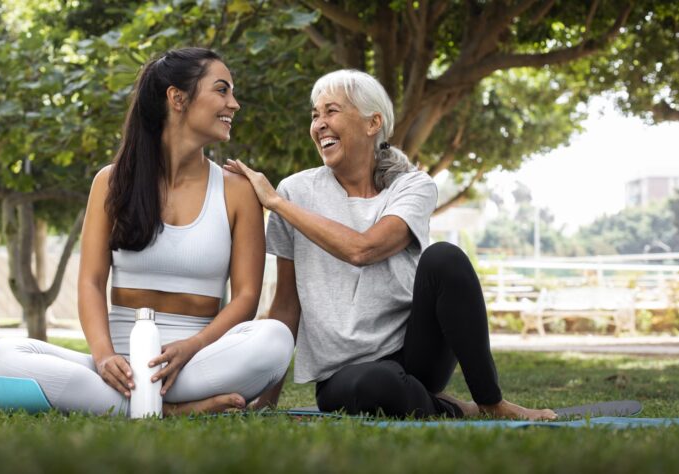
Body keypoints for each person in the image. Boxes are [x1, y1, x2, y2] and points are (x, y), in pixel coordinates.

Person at [225, 69, 556, 420]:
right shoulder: (296, 191)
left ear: (373, 123)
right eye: (315, 115)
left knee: (446, 258)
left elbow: (363, 250)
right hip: (345, 373)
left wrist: (276, 204)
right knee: (378, 386)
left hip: (415, 354)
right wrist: (267, 399)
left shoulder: (412, 187)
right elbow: (286, 305)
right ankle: (454, 407)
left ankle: (491, 402)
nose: (319, 124)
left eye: (331, 111)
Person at [0, 47, 294, 416]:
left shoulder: (237, 190)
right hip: (119, 367)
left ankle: (124, 405)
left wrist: (190, 347)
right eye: (222, 90)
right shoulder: (111, 182)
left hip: (197, 362)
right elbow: (91, 282)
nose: (235, 104)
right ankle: (173, 410)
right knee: (2, 355)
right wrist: (103, 357)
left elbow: (246, 298)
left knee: (274, 339)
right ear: (177, 98)